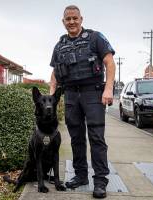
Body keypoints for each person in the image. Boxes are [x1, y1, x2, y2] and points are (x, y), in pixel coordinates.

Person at [49, 5, 116, 199]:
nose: (71, 22)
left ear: (81, 19)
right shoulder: (59, 45)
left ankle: (101, 181)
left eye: (74, 18)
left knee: (96, 137)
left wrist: (109, 88)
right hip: (71, 95)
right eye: (68, 19)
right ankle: (80, 175)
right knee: (76, 138)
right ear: (63, 22)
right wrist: (52, 96)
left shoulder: (96, 37)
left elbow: (109, 62)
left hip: (93, 93)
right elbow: (54, 73)